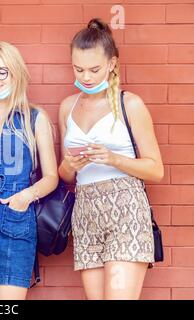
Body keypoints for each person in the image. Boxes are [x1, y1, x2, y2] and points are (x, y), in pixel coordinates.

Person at [58, 18, 164, 300]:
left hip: (126, 209)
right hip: (85, 211)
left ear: (112, 64)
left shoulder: (130, 104)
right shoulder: (67, 107)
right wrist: (70, 165)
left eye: (94, 69)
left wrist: (113, 158)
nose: (86, 77)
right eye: (78, 69)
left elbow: (156, 169)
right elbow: (64, 174)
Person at [0, 42, 58, 300]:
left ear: (16, 73)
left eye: (2, 72)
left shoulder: (34, 117)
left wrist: (25, 197)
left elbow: (51, 177)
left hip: (16, 220)